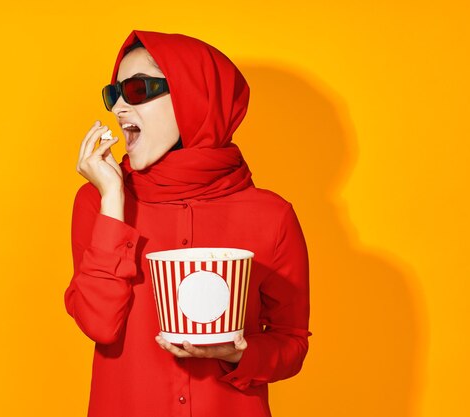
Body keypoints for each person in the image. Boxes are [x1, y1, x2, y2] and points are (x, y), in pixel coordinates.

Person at [64, 29, 311, 417]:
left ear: (195, 95)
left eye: (138, 90)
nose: (118, 109)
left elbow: (291, 342)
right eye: (114, 95)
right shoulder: (98, 201)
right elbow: (99, 325)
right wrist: (113, 200)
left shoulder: (271, 216)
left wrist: (238, 353)